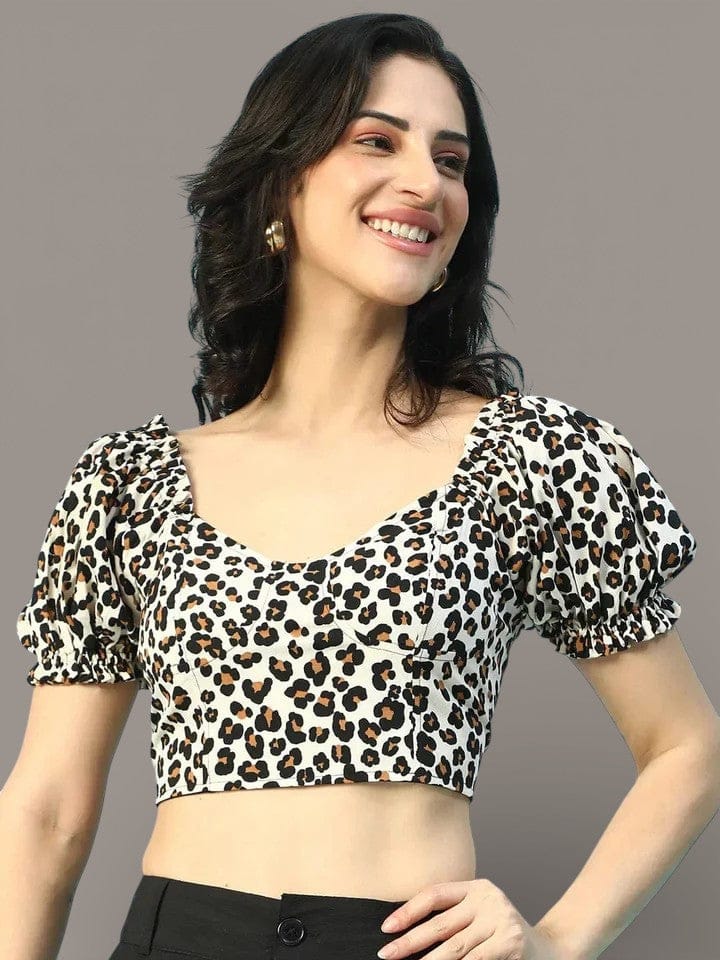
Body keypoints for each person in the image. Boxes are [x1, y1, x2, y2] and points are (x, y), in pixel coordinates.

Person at [3, 12, 719, 960]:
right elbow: (47, 809)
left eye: (452, 161)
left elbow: (687, 748)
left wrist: (555, 940)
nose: (426, 181)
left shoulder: (533, 459)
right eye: (377, 141)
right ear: (281, 181)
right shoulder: (127, 483)